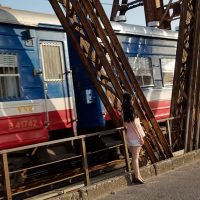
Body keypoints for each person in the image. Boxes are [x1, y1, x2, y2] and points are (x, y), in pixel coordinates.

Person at [122, 92, 145, 184]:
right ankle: (137, 176)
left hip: (129, 137)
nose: (133, 101)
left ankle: (138, 175)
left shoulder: (123, 112)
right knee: (135, 157)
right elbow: (136, 125)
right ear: (130, 100)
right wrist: (140, 137)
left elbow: (125, 125)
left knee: (134, 157)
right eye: (132, 99)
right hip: (136, 137)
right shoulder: (133, 111)